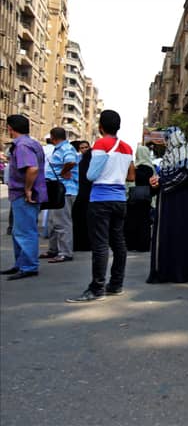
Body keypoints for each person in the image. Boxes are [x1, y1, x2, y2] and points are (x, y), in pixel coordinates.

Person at [67, 110, 135, 302]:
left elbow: (91, 175)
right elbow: (131, 176)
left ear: (100, 127)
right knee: (119, 242)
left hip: (100, 199)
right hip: (120, 199)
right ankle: (116, 284)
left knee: (100, 245)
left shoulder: (101, 144)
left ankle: (97, 288)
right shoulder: (128, 148)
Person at [146, 127, 188, 284]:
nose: (166, 141)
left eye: (168, 138)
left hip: (183, 204)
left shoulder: (184, 151)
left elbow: (185, 175)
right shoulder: (168, 155)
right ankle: (166, 270)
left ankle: (181, 271)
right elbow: (164, 175)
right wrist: (156, 181)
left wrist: (162, 181)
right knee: (167, 234)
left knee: (181, 235)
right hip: (167, 202)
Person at [1, 115, 47, 280]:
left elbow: (32, 169)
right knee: (19, 231)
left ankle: (28, 266)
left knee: (25, 231)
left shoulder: (22, 145)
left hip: (24, 194)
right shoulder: (32, 143)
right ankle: (21, 263)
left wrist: (27, 189)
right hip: (23, 193)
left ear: (10, 128)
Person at [40, 128, 79, 263]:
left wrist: (64, 171)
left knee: (62, 223)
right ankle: (53, 249)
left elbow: (71, 161)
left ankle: (65, 252)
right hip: (56, 190)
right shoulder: (60, 148)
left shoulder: (66, 148)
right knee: (52, 222)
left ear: (52, 137)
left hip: (65, 190)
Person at [124, 145, 154, 252]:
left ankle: (132, 245)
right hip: (145, 198)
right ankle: (143, 245)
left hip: (133, 198)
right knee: (144, 222)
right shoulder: (151, 168)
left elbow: (131, 179)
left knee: (132, 222)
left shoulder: (136, 168)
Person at [72, 143, 93, 251]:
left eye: (86, 147)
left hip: (81, 195)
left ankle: (78, 244)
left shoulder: (80, 164)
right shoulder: (92, 164)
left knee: (79, 220)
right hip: (89, 195)